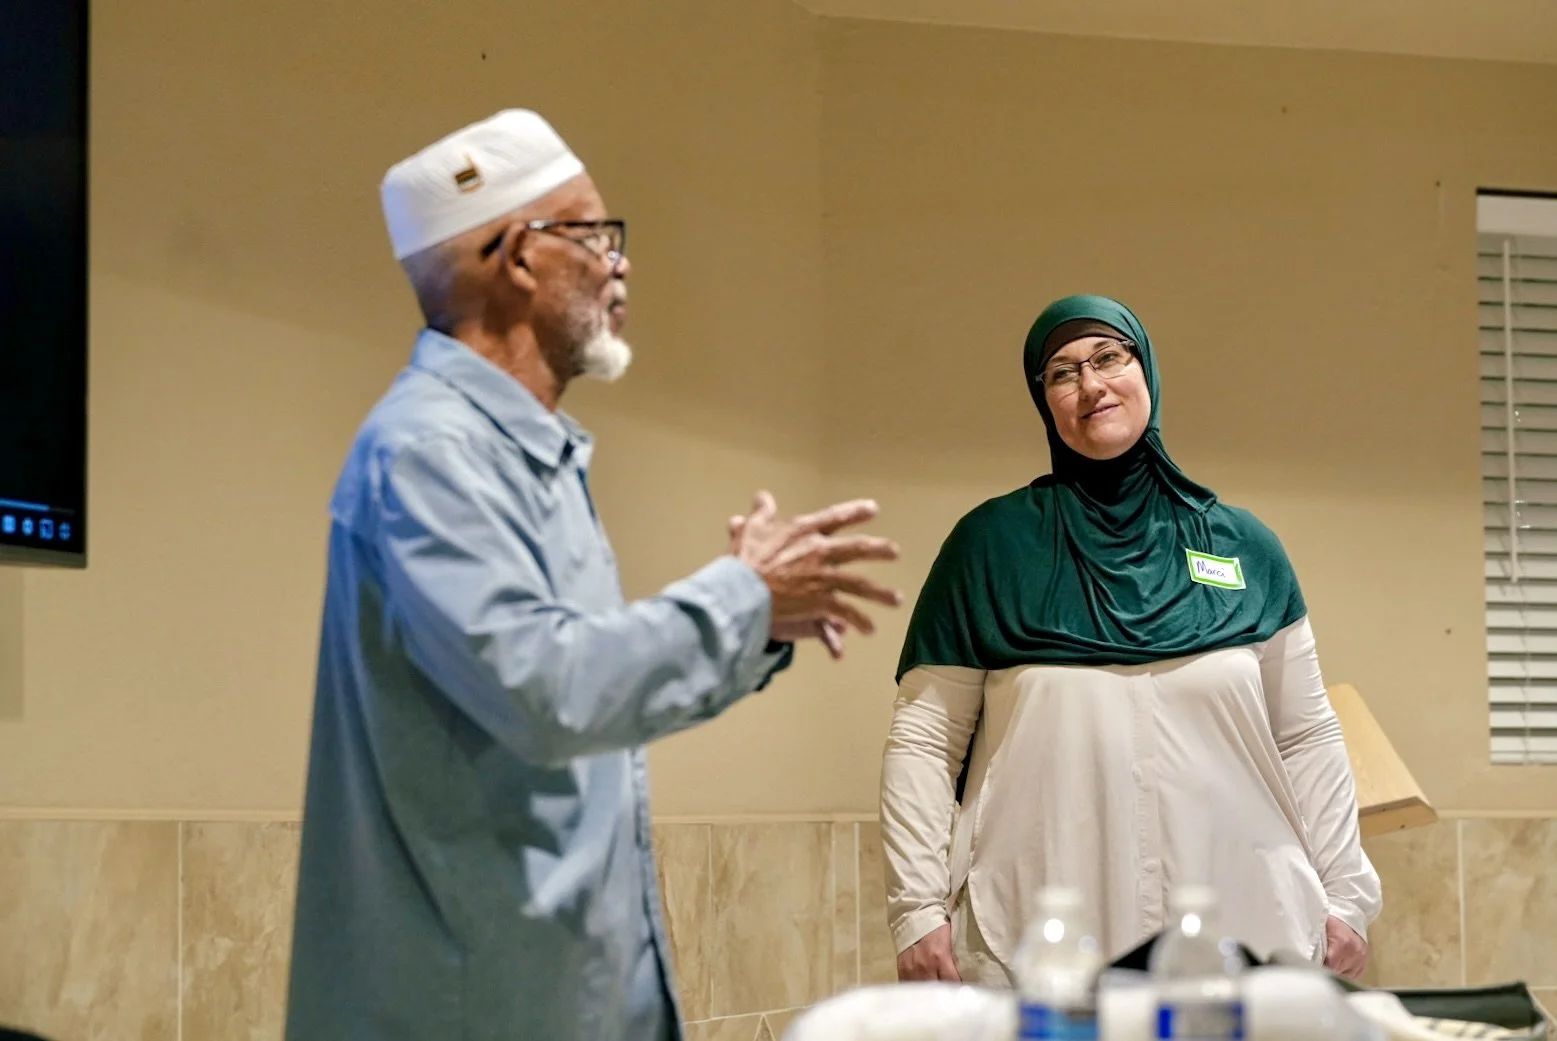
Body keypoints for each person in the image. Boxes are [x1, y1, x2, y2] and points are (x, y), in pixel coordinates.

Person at [283, 109, 903, 1041]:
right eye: (598, 236)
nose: (621, 266)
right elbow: (548, 688)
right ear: (522, 258)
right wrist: (741, 595)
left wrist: (759, 619)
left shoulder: (525, 454)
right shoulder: (428, 452)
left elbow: (593, 696)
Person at [878, 294, 1381, 989]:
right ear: (1043, 400)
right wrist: (916, 910)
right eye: (1061, 372)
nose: (1090, 384)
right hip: (1039, 941)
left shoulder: (1243, 547)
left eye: (1109, 357)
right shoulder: (989, 548)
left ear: (1144, 368)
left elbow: (1306, 735)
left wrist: (1347, 899)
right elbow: (925, 740)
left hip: (1243, 932)